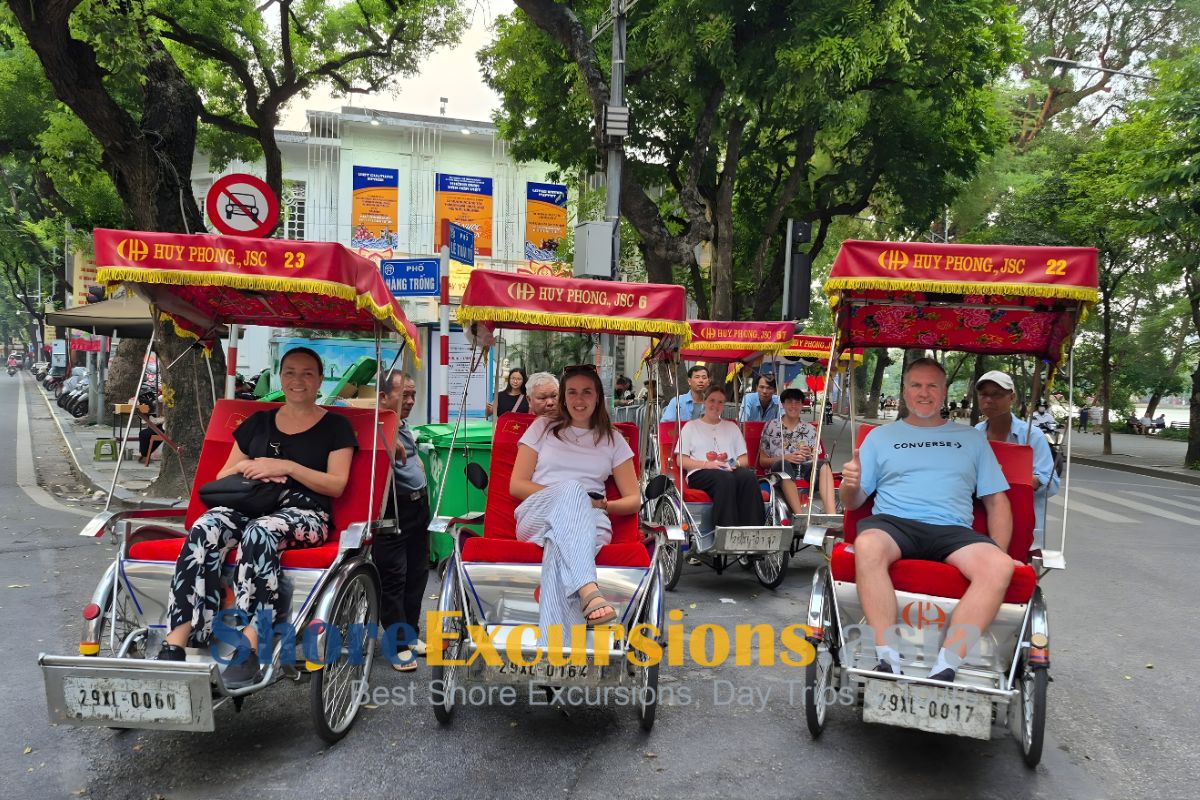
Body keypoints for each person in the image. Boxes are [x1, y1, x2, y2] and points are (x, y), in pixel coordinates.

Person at [156, 347, 357, 687]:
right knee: (205, 528)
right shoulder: (259, 423)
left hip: (306, 512)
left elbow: (336, 485)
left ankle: (250, 642)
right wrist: (251, 467)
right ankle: (178, 639)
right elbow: (223, 476)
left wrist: (287, 467)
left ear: (321, 380)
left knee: (261, 533)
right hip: (250, 505)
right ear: (281, 377)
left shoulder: (336, 426)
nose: (298, 380)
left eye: (308, 373)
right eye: (291, 372)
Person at [840, 358, 1013, 684]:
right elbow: (854, 502)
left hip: (954, 530)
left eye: (932, 385)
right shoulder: (879, 437)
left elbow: (997, 500)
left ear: (944, 392)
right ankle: (887, 659)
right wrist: (849, 484)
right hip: (894, 523)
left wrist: (999, 551)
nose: (924, 393)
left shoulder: (972, 440)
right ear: (904, 392)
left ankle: (945, 667)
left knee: (999, 567)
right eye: (916, 385)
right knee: (868, 546)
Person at [510, 364, 640, 635]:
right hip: (538, 514)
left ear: (598, 396)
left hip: (591, 520)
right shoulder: (542, 427)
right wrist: (569, 495)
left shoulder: (613, 439)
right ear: (563, 397)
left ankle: (555, 653)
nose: (579, 400)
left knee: (558, 547)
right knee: (571, 489)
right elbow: (517, 485)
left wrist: (600, 505)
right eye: (572, 392)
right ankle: (587, 589)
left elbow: (634, 500)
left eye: (586, 392)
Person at [374, 372, 431, 671]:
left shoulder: (402, 424)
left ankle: (410, 634)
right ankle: (396, 645)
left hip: (418, 506)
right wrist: (382, 432)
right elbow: (342, 403)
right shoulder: (376, 424)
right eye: (403, 395)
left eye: (413, 395)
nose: (410, 401)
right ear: (383, 396)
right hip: (391, 510)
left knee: (417, 574)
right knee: (394, 577)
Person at [974, 371, 1059, 550]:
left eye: (996, 394)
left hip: (1024, 524)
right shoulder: (976, 433)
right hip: (980, 521)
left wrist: (1027, 480)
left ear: (1011, 397)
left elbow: (1051, 483)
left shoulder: (1032, 435)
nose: (988, 400)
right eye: (984, 394)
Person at [676, 385, 766, 528]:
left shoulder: (731, 427)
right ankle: (726, 530)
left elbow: (745, 459)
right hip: (700, 472)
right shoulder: (690, 427)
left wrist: (732, 463)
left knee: (748, 477)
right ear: (704, 402)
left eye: (720, 402)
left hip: (728, 469)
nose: (715, 405)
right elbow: (681, 460)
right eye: (712, 400)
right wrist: (707, 464)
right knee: (725, 478)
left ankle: (754, 530)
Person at [760, 388, 836, 518]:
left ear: (802, 405)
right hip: (779, 471)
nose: (793, 406)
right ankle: (800, 516)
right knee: (784, 464)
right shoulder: (771, 426)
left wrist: (809, 455)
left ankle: (832, 516)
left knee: (824, 464)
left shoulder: (810, 430)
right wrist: (787, 457)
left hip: (804, 469)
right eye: (789, 402)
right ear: (783, 404)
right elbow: (762, 461)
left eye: (797, 402)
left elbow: (815, 458)